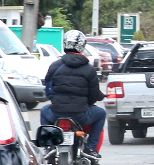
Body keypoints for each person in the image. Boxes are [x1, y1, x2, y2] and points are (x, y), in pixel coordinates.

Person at [41, 30, 106, 158]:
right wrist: (94, 99)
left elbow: (48, 90)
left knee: (44, 110)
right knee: (101, 113)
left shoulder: (54, 66)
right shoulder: (89, 69)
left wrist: (55, 100)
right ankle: (90, 148)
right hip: (81, 114)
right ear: (82, 46)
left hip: (56, 113)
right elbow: (93, 95)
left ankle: (49, 146)